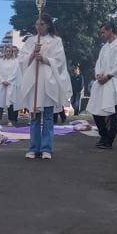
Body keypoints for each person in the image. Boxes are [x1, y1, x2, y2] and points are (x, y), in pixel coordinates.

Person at [16, 12, 71, 160]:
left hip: (48, 82)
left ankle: (46, 148)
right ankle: (33, 148)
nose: (38, 27)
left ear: (48, 25)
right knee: (34, 117)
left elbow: (60, 61)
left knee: (47, 117)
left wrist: (45, 58)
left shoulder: (56, 41)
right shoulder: (31, 41)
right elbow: (21, 60)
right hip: (34, 83)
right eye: (36, 24)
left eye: (42, 24)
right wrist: (33, 55)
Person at [90, 21, 117, 149]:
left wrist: (108, 75)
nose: (101, 34)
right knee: (95, 109)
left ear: (110, 30)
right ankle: (103, 135)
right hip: (101, 80)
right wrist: (98, 74)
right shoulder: (104, 47)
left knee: (113, 111)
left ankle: (109, 141)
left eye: (103, 32)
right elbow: (99, 62)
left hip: (113, 80)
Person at [0, 45, 20, 126]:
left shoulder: (15, 61)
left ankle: (10, 120)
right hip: (2, 84)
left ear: (12, 52)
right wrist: (2, 81)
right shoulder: (1, 61)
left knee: (10, 102)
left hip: (10, 84)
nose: (8, 53)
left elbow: (15, 72)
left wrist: (8, 81)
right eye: (7, 51)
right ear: (4, 52)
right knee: (0, 102)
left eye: (10, 51)